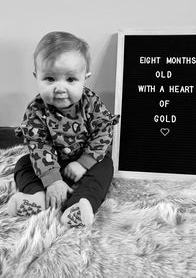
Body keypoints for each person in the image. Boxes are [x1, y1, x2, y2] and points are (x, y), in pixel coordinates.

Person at [7, 31, 119, 227]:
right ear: (37, 77)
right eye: (50, 79)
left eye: (70, 80)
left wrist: (84, 163)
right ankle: (37, 198)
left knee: (105, 166)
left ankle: (80, 204)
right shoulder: (36, 109)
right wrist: (52, 180)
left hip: (84, 156)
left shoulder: (90, 103)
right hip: (52, 160)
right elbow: (38, 144)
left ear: (85, 78)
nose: (59, 88)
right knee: (24, 163)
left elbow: (103, 132)